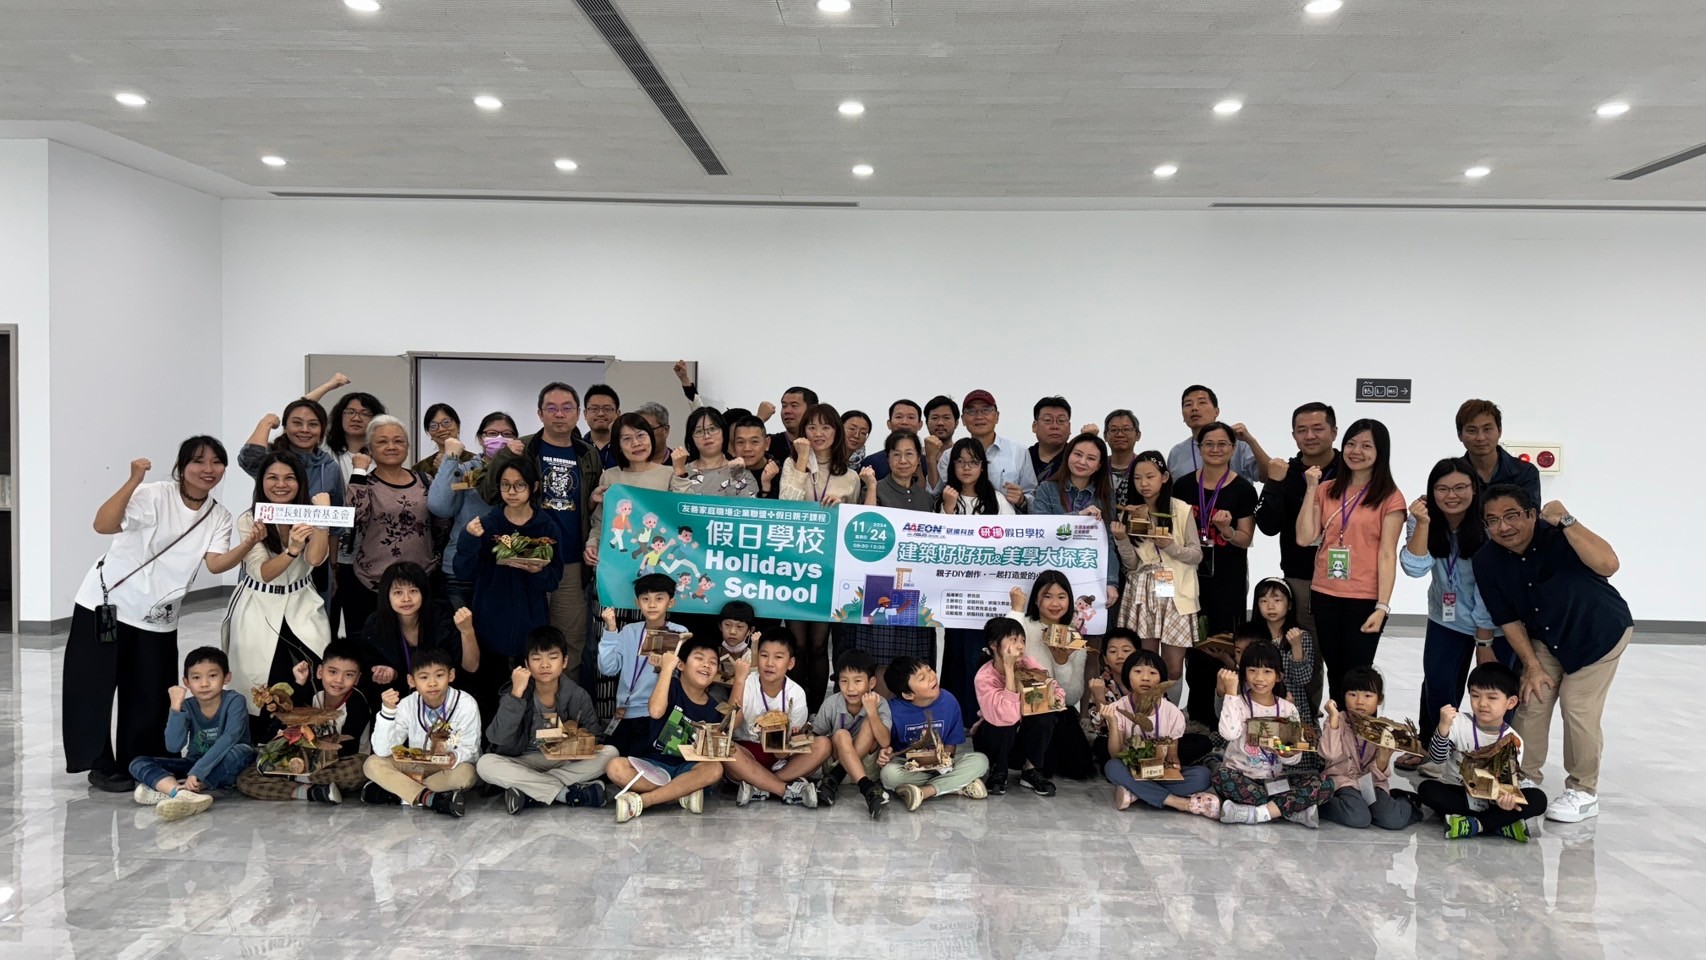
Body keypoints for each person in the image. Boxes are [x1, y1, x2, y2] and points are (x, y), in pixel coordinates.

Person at [65, 439, 245, 792]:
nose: (208, 469)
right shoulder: (154, 494)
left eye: (216, 462)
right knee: (92, 687)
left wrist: (249, 543)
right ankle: (99, 763)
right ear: (182, 466)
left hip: (158, 616)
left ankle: (138, 759)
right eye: (198, 461)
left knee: (149, 694)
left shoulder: (218, 515)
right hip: (108, 604)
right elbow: (103, 524)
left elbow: (215, 564)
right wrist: (133, 480)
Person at [1473, 485, 1630, 823]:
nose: (1503, 527)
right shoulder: (1486, 560)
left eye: (1512, 516)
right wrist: (1530, 665)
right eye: (1493, 520)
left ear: (1532, 514)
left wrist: (1568, 521)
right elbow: (1507, 618)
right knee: (1532, 698)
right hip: (1546, 637)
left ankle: (1583, 791)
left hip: (1598, 634)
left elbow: (1609, 564)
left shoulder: (1560, 535)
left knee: (1577, 706)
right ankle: (1523, 777)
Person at [1399, 457, 1515, 772]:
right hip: (1446, 619)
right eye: (1443, 489)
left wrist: (1484, 638)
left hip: (1493, 623)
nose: (1452, 495)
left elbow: (1490, 587)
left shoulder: (1488, 523)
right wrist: (1422, 523)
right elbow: (1414, 568)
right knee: (1438, 685)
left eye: (1460, 487)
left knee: (1496, 691)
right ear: (1431, 491)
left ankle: (1493, 754)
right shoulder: (1423, 519)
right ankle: (1432, 745)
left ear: (1474, 489)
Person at [483, 382, 602, 675]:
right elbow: (489, 493)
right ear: (539, 413)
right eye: (551, 408)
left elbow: (586, 508)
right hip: (523, 554)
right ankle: (523, 695)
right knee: (525, 635)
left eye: (566, 408)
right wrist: (504, 456)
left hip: (570, 561)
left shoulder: (588, 454)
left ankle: (566, 698)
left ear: (578, 413)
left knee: (571, 637)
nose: (559, 414)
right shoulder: (523, 448)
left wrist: (591, 501)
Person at [1295, 418, 1405, 707]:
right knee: (1335, 672)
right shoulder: (1326, 489)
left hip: (1364, 598)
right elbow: (1304, 537)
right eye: (1351, 444)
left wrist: (1382, 606)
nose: (1356, 451)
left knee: (1358, 676)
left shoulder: (1390, 497)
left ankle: (1361, 732)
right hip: (1325, 593)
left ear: (1380, 452)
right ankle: (1337, 730)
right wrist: (1311, 488)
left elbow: (1387, 554)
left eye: (1366, 446)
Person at [224, 451, 333, 737]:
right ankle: (263, 741)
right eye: (272, 477)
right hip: (259, 602)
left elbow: (315, 559)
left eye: (289, 478)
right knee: (261, 678)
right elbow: (262, 572)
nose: (281, 484)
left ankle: (307, 738)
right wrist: (292, 549)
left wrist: (322, 520)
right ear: (261, 482)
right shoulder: (251, 518)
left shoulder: (308, 513)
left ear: (300, 482)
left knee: (314, 665)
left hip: (301, 601)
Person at [456, 454, 565, 721]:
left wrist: (538, 571)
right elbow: (464, 572)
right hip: (490, 622)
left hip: (531, 625)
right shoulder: (487, 524)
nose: (512, 492)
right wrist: (469, 538)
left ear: (534, 487)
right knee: (489, 694)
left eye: (519, 485)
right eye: (505, 485)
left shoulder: (547, 526)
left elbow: (554, 579)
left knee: (527, 698)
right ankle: (489, 740)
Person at [1170, 421, 1258, 726]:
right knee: (1194, 646)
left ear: (1233, 449)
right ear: (1199, 447)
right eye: (1209, 444)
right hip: (1188, 577)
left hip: (1227, 581)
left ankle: (1225, 715)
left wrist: (1226, 530)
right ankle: (1197, 712)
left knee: (1222, 645)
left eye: (1223, 444)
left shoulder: (1243, 489)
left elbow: (1245, 538)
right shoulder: (1183, 486)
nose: (1216, 449)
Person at [1254, 401, 1338, 710]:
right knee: (1304, 655)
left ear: (1334, 431)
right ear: (1293, 435)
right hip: (1301, 578)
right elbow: (1267, 525)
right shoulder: (1286, 473)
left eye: (1318, 428)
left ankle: (1342, 724)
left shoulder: (1350, 471)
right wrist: (1274, 483)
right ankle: (1308, 722)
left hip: (1346, 580)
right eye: (1302, 430)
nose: (1310, 436)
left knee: (1342, 658)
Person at [477, 626, 615, 814]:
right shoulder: (516, 692)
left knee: (610, 753)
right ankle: (565, 793)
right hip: (522, 760)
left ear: (564, 661)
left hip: (562, 761)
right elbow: (497, 737)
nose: (544, 665)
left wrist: (576, 745)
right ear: (526, 664)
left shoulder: (577, 695)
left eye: (552, 657)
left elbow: (595, 737)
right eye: (536, 658)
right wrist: (516, 694)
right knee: (485, 764)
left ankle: (529, 789)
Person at [780, 402, 862, 712]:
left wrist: (843, 505)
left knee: (818, 645)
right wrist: (802, 459)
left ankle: (816, 712)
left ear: (836, 432)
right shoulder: (792, 465)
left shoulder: (850, 476)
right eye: (811, 427)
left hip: (829, 568)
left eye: (825, 427)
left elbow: (855, 525)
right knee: (798, 643)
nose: (818, 433)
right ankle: (796, 713)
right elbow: (786, 504)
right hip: (794, 566)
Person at [1417, 663, 1548, 840]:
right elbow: (1437, 758)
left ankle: (1475, 824)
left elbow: (1508, 782)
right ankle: (1499, 824)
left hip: (1493, 799)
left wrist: (1506, 800)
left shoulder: (1513, 740)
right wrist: (1443, 728)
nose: (1482, 703)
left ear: (1511, 702)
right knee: (1427, 789)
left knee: (1538, 799)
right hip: (1459, 790)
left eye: (1492, 698)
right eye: (1475, 695)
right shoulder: (1457, 722)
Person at [607, 635, 730, 822]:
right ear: (681, 665)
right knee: (615, 767)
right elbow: (656, 711)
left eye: (713, 662)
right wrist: (666, 670)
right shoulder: (670, 687)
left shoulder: (714, 708)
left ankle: (646, 800)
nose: (706, 665)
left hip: (687, 769)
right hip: (653, 766)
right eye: (699, 658)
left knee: (714, 769)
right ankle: (681, 792)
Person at [235, 642, 372, 804]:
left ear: (357, 679)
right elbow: (279, 726)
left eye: (349, 675)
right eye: (332, 672)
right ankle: (310, 792)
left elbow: (347, 749)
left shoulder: (357, 705)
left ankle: (295, 779)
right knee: (246, 778)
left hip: (337, 762)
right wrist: (299, 684)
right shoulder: (310, 692)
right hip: (300, 761)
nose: (339, 680)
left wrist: (305, 767)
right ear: (320, 671)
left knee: (360, 768)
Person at [1211, 643, 1332, 827]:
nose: (1259, 678)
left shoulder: (1287, 709)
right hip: (1241, 777)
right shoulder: (1238, 702)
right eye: (1252, 670)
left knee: (1325, 783)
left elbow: (1294, 759)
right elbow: (1229, 734)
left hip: (1275, 781)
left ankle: (1258, 813)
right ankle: (1290, 811)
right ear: (1243, 673)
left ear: (1278, 676)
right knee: (1222, 776)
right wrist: (1230, 692)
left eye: (1267, 671)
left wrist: (1287, 753)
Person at [128, 647, 254, 821]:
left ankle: (180, 791)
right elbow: (173, 746)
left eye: (212, 676)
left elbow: (230, 738)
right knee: (138, 763)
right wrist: (175, 707)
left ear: (227, 677)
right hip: (195, 765)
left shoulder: (235, 700)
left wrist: (198, 772)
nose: (204, 683)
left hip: (227, 765)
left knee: (242, 750)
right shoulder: (187, 706)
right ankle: (178, 793)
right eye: (196, 678)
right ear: (186, 682)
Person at [848, 430, 937, 677]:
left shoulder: (927, 499)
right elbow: (866, 529)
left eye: (909, 454)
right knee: (880, 661)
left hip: (915, 587)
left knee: (913, 663)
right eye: (896, 454)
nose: (903, 460)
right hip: (880, 586)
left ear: (918, 459)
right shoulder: (876, 489)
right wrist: (871, 487)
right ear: (887, 458)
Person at [1111, 450, 1201, 694]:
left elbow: (1196, 554)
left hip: (1177, 591)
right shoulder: (1129, 512)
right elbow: (1131, 564)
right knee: (1145, 664)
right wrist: (1121, 539)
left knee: (1173, 668)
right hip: (1143, 590)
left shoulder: (1180, 509)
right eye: (1137, 478)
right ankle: (1147, 712)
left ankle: (1168, 711)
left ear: (1164, 477)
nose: (1143, 483)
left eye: (1150, 476)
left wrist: (1170, 547)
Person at [344, 414, 436, 637]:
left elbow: (440, 523)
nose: (392, 446)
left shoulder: (425, 480)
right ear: (370, 449)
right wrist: (359, 472)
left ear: (407, 447)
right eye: (382, 441)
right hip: (373, 583)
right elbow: (352, 517)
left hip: (421, 580)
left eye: (398, 441)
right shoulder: (364, 483)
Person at [362, 646, 481, 817]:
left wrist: (455, 756)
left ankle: (400, 791)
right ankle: (430, 798)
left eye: (439, 675)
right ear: (411, 681)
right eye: (424, 677)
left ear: (451, 675)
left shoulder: (465, 703)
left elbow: (472, 748)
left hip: (448, 766)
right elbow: (382, 750)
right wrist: (387, 712)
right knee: (372, 763)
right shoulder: (407, 704)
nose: (432, 683)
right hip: (417, 762)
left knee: (466, 775)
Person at [1103, 650, 1219, 817]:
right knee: (1113, 767)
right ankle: (1178, 803)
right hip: (1132, 770)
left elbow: (1172, 756)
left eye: (1152, 673)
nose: (1145, 678)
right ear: (1127, 675)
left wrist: (1174, 765)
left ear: (1161, 679)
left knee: (1203, 776)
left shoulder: (1172, 713)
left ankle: (1137, 792)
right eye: (1138, 671)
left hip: (1159, 772)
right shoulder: (1117, 708)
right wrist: (1113, 723)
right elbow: (1115, 755)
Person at [726, 633, 833, 808]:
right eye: (764, 655)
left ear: (790, 663)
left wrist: (782, 749)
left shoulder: (796, 693)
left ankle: (759, 785)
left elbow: (787, 750)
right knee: (726, 748)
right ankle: (784, 789)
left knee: (823, 745)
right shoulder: (747, 682)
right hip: (747, 753)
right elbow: (731, 725)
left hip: (781, 761)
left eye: (778, 657)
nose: (769, 663)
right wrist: (738, 680)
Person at [1004, 572, 1093, 779]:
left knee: (1081, 769)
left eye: (1061, 597)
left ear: (1070, 600)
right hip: (1023, 708)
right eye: (1047, 596)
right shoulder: (1024, 624)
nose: (1055, 603)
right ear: (1036, 600)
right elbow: (1005, 649)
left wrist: (1061, 663)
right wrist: (1016, 610)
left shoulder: (1073, 635)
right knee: (1044, 764)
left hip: (1056, 708)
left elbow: (1071, 697)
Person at [429, 412, 522, 611]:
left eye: (507, 434)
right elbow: (440, 507)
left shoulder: (523, 472)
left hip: (505, 565)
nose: (499, 439)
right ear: (480, 438)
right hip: (461, 567)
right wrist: (450, 458)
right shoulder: (465, 469)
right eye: (492, 433)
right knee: (458, 629)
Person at [1316, 667, 1425, 830]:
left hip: (1372, 783)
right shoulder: (1337, 721)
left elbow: (1379, 775)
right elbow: (1329, 754)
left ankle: (1404, 800)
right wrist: (1333, 717)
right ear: (1343, 696)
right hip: (1343, 782)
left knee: (1392, 820)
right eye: (1352, 694)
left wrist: (1383, 759)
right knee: (1359, 818)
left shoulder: (1383, 730)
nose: (1359, 701)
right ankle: (1318, 802)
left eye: (1368, 696)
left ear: (1379, 699)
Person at [597, 573, 692, 758]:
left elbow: (683, 676)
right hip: (624, 713)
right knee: (610, 758)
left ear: (671, 602)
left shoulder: (679, 632)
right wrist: (610, 630)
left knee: (639, 760)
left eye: (659, 598)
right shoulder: (629, 631)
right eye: (645, 599)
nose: (652, 604)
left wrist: (662, 669)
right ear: (637, 602)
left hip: (656, 714)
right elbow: (608, 668)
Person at [879, 656, 991, 811]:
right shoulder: (892, 709)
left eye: (929, 670)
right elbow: (888, 746)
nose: (931, 677)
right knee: (888, 775)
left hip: (942, 762)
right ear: (908, 695)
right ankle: (957, 786)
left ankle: (924, 792)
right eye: (922, 678)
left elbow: (951, 744)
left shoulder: (949, 701)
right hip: (908, 765)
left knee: (981, 761)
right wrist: (886, 753)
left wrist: (943, 764)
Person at [359, 561, 479, 697]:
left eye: (413, 591)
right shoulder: (375, 625)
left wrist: (467, 632)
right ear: (386, 596)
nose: (406, 599)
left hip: (445, 697)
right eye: (398, 592)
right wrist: (390, 673)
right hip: (399, 699)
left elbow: (471, 668)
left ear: (423, 593)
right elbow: (366, 670)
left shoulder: (443, 618)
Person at [1030, 433, 1122, 607]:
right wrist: (1078, 517)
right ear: (1068, 455)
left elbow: (1108, 543)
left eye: (1091, 458)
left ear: (1099, 465)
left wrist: (1111, 582)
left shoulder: (1106, 496)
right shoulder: (1046, 489)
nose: (1082, 461)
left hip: (1089, 574)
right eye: (1078, 454)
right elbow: (1040, 530)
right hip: (1051, 570)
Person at [973, 617, 1061, 797]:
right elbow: (1007, 716)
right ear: (993, 645)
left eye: (1023, 640)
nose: (1020, 646)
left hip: (1020, 743)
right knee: (1003, 722)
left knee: (1046, 716)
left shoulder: (1028, 663)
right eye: (1013, 640)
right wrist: (1009, 668)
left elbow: (1056, 691)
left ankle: (1030, 771)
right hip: (994, 740)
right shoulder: (984, 677)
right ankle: (999, 770)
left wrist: (1050, 696)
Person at [326, 390, 387, 639]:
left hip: (365, 555)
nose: (356, 417)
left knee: (360, 626)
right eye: (350, 412)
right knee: (323, 626)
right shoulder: (325, 455)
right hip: (325, 552)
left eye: (365, 413)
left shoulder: (382, 458)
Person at [810, 649, 891, 818]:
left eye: (858, 681)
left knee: (870, 722)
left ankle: (836, 776)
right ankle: (867, 789)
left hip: (864, 769)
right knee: (840, 734)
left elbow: (884, 741)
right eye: (844, 681)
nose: (850, 688)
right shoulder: (832, 703)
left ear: (871, 682)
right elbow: (817, 735)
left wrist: (872, 712)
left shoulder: (880, 703)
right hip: (837, 763)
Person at [931, 390, 1034, 511]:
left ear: (997, 416)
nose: (979, 417)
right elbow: (938, 496)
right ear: (963, 419)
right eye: (971, 411)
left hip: (1006, 520)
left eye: (986, 410)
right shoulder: (949, 456)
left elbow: (1033, 497)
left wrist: (1022, 500)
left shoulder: (1019, 452)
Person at [1166, 385, 1268, 482]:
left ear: (1216, 412)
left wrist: (1251, 441)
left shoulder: (1238, 444)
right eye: (1188, 404)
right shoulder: (1176, 453)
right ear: (1183, 415)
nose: (1194, 408)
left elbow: (1268, 476)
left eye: (1202, 402)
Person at [1249, 578, 1317, 722]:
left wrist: (1296, 646)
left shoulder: (1301, 636)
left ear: (1289, 604)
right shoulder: (1254, 638)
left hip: (1293, 705)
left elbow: (1302, 679)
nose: (1270, 606)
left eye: (1277, 600)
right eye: (1263, 601)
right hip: (1258, 705)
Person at [1456, 399, 1542, 505]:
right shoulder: (1451, 474)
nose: (1480, 437)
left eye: (1487, 429)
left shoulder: (1525, 473)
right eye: (1472, 431)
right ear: (1460, 435)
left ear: (1500, 431)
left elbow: (1530, 514)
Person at [671, 406, 759, 497]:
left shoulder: (740, 472)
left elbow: (748, 505)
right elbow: (676, 504)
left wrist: (737, 478)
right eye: (699, 431)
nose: (707, 436)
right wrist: (680, 474)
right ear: (691, 438)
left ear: (724, 432)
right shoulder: (682, 472)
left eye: (712, 429)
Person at [1082, 629, 1138, 762]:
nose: (1120, 656)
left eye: (1126, 650)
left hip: (1148, 737)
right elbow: (1100, 728)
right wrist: (1100, 698)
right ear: (1106, 659)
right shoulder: (1100, 684)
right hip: (1113, 740)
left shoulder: (1149, 678)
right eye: (1113, 651)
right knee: (1101, 746)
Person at [859, 399, 923, 481]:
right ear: (889, 424)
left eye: (911, 417)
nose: (904, 422)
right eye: (899, 417)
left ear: (920, 425)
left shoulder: (927, 462)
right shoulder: (872, 462)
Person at [729, 414, 783, 499]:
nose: (747, 448)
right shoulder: (726, 470)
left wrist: (766, 488)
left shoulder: (780, 474)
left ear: (767, 444)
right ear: (733, 445)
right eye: (740, 442)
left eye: (754, 442)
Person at [414, 403, 471, 479]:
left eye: (446, 422)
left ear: (458, 426)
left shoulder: (476, 461)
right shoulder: (420, 468)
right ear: (429, 433)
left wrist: (448, 467)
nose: (441, 429)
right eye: (433, 426)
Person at [767, 385, 819, 466]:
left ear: (811, 410)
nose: (787, 411)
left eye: (794, 406)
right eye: (784, 406)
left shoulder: (821, 443)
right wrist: (760, 418)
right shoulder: (770, 442)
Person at [1027, 396, 1073, 485]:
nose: (1055, 426)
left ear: (1069, 427)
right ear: (1034, 426)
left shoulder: (1076, 460)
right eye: (1048, 420)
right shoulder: (1022, 458)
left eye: (1061, 420)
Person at [1102, 410, 1143, 508]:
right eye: (1113, 430)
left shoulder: (1145, 467)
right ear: (1105, 436)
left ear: (1138, 435)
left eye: (1126, 429)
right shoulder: (1098, 466)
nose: (1120, 434)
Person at [922, 394, 959, 488]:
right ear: (926, 423)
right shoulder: (915, 456)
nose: (940, 423)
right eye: (935, 418)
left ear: (956, 423)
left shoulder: (962, 455)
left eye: (946, 418)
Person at [584, 384, 622, 469]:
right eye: (594, 409)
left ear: (618, 414)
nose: (600, 414)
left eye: (607, 409)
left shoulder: (626, 447)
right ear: (585, 414)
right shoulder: (577, 447)